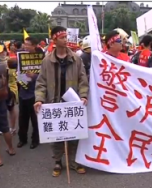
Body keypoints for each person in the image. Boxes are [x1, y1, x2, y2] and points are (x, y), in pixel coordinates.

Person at [34, 26, 89, 177]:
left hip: (72, 103)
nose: (65, 40)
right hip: (54, 102)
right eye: (62, 37)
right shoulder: (47, 61)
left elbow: (83, 79)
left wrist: (83, 95)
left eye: (66, 37)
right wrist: (39, 99)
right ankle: (57, 161)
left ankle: (73, 161)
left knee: (74, 133)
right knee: (55, 134)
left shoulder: (76, 59)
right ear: (54, 40)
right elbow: (41, 83)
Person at [17, 37, 43, 149]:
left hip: (35, 93)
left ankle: (35, 140)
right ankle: (22, 139)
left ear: (34, 45)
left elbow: (44, 75)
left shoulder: (41, 58)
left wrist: (35, 76)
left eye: (28, 44)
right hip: (23, 91)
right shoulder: (21, 57)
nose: (25, 46)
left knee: (35, 119)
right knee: (22, 118)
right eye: (24, 44)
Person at [0, 46, 18, 135]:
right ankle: (8, 128)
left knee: (9, 109)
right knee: (5, 110)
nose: (2, 53)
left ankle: (11, 128)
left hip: (9, 89)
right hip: (5, 90)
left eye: (3, 51)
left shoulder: (9, 63)